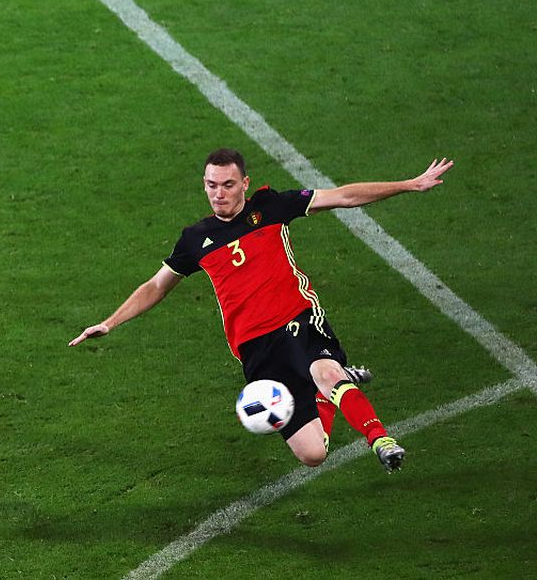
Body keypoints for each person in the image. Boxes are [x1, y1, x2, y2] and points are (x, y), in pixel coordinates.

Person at [70, 148, 454, 472]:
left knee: (324, 370)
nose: (218, 194)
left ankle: (380, 439)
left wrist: (409, 184)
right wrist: (109, 322)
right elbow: (157, 285)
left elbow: (344, 196)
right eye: (211, 185)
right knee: (313, 454)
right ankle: (328, 387)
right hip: (254, 348)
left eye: (227, 184)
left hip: (296, 319)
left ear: (245, 184)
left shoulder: (271, 207)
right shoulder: (194, 240)